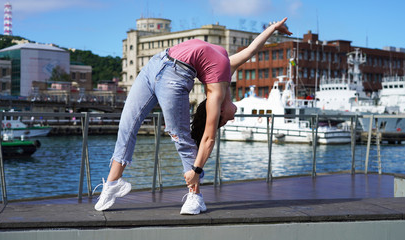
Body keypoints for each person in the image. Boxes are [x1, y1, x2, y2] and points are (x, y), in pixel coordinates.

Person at [94, 17, 292, 214]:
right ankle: (113, 183)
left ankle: (195, 196)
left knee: (180, 137)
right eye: (229, 119)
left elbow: (208, 137)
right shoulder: (227, 69)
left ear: (220, 112)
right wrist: (273, 28)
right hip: (155, 64)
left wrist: (196, 171)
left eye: (227, 119)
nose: (233, 117)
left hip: (175, 77)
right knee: (127, 125)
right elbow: (251, 50)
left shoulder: (215, 93)